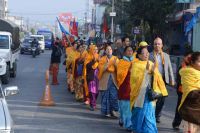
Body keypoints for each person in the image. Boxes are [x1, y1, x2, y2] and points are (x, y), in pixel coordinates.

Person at [130, 46, 168, 133]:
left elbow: (158, 78)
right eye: (143, 53)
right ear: (139, 55)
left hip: (149, 95)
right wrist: (146, 71)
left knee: (149, 118)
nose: (146, 54)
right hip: (139, 96)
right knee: (139, 115)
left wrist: (154, 71)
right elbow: (135, 80)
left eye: (147, 52)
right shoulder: (136, 65)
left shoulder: (151, 63)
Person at [149, 37, 175, 123]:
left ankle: (157, 115)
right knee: (153, 98)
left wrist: (172, 79)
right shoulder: (149, 55)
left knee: (162, 98)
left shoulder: (166, 56)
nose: (157, 45)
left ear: (162, 45)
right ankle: (152, 115)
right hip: (153, 79)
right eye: (155, 44)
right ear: (153, 45)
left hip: (163, 80)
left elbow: (169, 68)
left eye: (159, 44)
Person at [178, 52, 200, 133]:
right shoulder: (187, 73)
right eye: (199, 61)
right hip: (191, 112)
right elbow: (191, 93)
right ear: (192, 62)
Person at [172, 49, 193, 130]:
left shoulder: (193, 66)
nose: (189, 58)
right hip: (182, 91)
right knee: (180, 108)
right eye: (188, 56)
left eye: (191, 57)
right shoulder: (182, 66)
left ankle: (188, 127)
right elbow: (179, 80)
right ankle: (176, 123)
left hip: (191, 90)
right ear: (184, 57)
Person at [117, 46, 137, 131]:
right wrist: (128, 69)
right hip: (124, 87)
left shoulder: (136, 61)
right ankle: (128, 124)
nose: (130, 52)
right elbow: (119, 74)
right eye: (128, 50)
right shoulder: (121, 62)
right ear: (124, 52)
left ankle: (125, 121)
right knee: (124, 106)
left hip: (133, 87)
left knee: (129, 107)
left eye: (131, 50)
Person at [98, 45, 119, 117]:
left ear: (112, 51)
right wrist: (107, 64)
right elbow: (100, 69)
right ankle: (106, 112)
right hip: (105, 79)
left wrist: (115, 64)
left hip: (113, 79)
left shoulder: (115, 59)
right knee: (105, 96)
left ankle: (113, 111)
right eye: (107, 49)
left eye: (110, 49)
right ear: (105, 51)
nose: (109, 50)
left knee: (113, 96)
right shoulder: (102, 59)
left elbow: (119, 69)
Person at [86, 45, 99, 111]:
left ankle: (93, 102)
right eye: (94, 49)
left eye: (96, 49)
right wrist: (93, 61)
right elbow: (87, 66)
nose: (95, 51)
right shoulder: (88, 56)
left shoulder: (99, 57)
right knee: (92, 91)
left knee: (97, 92)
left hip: (98, 77)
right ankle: (92, 104)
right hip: (91, 77)